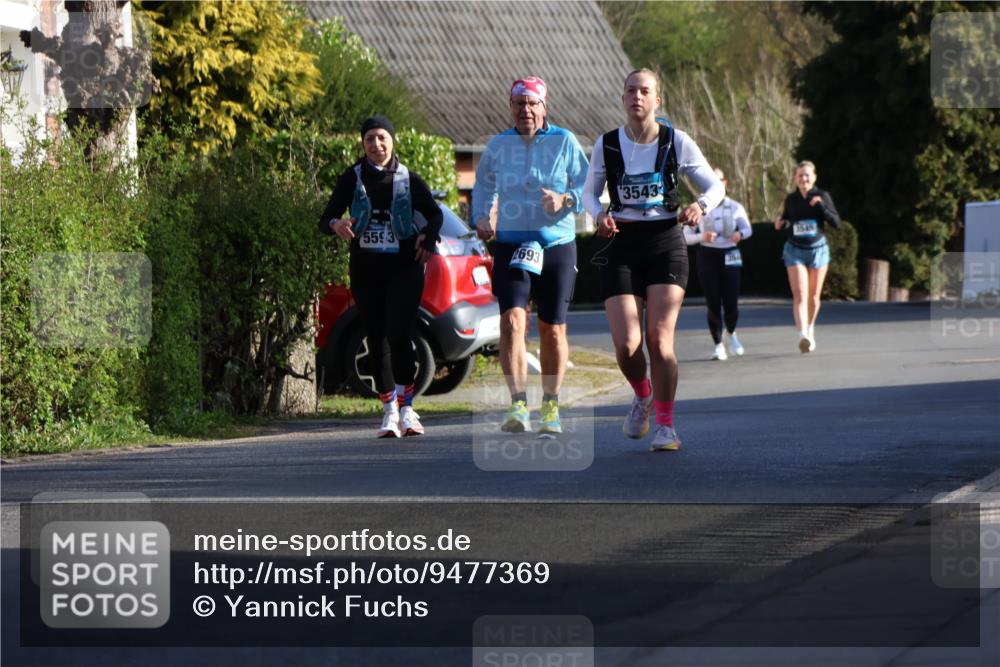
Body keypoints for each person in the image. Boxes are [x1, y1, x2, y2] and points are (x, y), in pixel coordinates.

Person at [583, 69, 724, 452]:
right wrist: (598, 215)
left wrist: (699, 206)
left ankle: (665, 426)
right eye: (630, 90)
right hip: (622, 243)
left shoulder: (677, 140)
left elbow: (715, 186)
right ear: (623, 97)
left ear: (656, 100)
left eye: (645, 91)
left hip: (665, 241)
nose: (637, 97)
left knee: (659, 340)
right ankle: (642, 394)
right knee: (628, 345)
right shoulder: (607, 144)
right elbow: (589, 194)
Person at [472, 76, 589, 434]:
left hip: (555, 244)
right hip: (511, 244)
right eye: (519, 103)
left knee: (552, 329)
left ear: (544, 107)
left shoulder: (564, 141)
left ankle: (551, 406)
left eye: (532, 103)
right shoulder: (498, 145)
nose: (525, 110)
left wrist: (565, 200)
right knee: (511, 322)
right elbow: (483, 186)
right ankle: (519, 403)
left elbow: (589, 186)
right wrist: (480, 216)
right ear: (511, 108)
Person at [319, 116, 442, 437]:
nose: (376, 145)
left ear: (392, 141)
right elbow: (326, 217)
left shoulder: (408, 178)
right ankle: (389, 411)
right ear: (363, 143)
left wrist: (428, 240)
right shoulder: (352, 178)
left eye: (382, 138)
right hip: (367, 268)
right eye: (370, 139)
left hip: (404, 268)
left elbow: (435, 213)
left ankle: (409, 409)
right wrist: (337, 225)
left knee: (400, 332)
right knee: (376, 336)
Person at [683, 167, 752, 360]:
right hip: (707, 255)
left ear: (724, 184)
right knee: (713, 302)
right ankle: (718, 344)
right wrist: (701, 236)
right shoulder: (697, 208)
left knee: (731, 301)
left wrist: (740, 234)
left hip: (730, 254)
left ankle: (731, 332)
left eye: (718, 180)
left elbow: (748, 230)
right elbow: (685, 237)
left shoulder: (735, 207)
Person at [773, 160, 840, 353]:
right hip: (795, 250)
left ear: (814, 177)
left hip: (818, 250)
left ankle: (810, 329)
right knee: (800, 295)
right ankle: (803, 335)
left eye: (807, 175)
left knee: (813, 296)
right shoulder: (791, 199)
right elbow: (788, 221)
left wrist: (821, 207)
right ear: (795, 178)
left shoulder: (822, 196)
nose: (804, 178)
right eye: (800, 175)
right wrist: (780, 223)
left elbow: (836, 223)